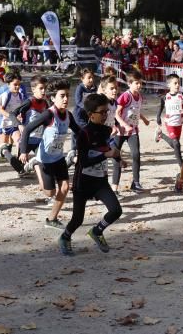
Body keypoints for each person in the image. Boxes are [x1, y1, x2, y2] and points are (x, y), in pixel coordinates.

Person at [58, 93, 123, 255]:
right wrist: (105, 155)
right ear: (90, 114)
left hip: (101, 181)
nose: (105, 115)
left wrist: (118, 158)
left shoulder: (107, 130)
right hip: (83, 182)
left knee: (116, 210)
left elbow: (108, 149)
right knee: (78, 219)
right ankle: (65, 237)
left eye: (107, 111)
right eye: (102, 112)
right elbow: (84, 162)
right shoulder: (84, 134)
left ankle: (97, 231)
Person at [19, 79, 83, 230]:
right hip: (45, 160)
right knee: (50, 193)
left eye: (67, 95)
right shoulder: (49, 114)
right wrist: (23, 151)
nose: (66, 99)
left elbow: (79, 132)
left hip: (59, 157)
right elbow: (27, 129)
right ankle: (35, 164)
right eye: (62, 96)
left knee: (65, 188)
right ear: (53, 98)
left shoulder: (68, 115)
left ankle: (52, 219)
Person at [113, 71, 150, 193]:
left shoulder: (139, 96)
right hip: (120, 132)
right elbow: (116, 113)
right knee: (116, 158)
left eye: (140, 83)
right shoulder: (125, 96)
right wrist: (124, 125)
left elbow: (136, 111)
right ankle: (115, 187)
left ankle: (136, 183)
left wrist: (144, 119)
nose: (139, 85)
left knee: (136, 155)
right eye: (136, 83)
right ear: (129, 84)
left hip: (133, 131)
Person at [155, 74, 183, 169]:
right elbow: (160, 108)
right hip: (169, 123)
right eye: (175, 83)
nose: (177, 85)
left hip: (179, 123)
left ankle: (161, 135)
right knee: (176, 144)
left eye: (178, 83)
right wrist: (158, 117)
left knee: (175, 144)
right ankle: (182, 166)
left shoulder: (182, 96)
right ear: (169, 85)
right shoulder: (165, 97)